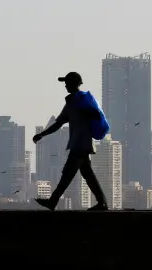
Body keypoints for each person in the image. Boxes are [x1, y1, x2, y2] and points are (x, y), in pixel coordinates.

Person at [31, 72, 109, 211]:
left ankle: (53, 201)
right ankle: (102, 202)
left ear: (74, 84)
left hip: (80, 145)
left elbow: (96, 114)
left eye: (67, 82)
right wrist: (42, 134)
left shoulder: (83, 101)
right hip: (80, 145)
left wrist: (86, 113)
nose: (66, 85)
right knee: (87, 175)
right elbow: (58, 123)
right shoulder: (71, 103)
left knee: (67, 174)